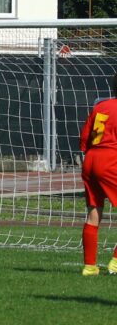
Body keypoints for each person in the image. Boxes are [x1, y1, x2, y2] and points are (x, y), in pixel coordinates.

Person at [79, 73, 117, 275]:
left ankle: (90, 266)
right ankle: (116, 262)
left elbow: (84, 137)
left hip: (91, 159)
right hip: (111, 159)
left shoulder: (100, 106)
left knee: (94, 213)